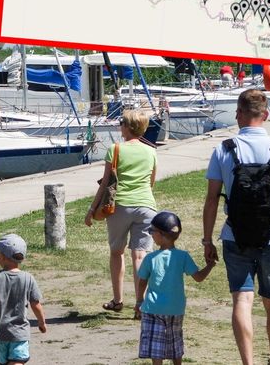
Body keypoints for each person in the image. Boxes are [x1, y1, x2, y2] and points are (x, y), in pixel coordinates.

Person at [202, 89, 270, 365]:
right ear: (266, 114)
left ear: (238, 114)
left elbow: (211, 199)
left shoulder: (223, 149)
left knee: (242, 301)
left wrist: (207, 240)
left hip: (235, 237)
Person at [84, 109, 157, 317]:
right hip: (146, 206)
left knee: (117, 252)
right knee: (140, 254)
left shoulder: (116, 149)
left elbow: (106, 183)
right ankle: (141, 304)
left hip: (120, 207)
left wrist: (91, 210)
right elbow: (151, 182)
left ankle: (118, 300)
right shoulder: (151, 151)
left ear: (127, 127)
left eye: (122, 123)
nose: (120, 126)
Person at [137, 211, 216, 365]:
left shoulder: (150, 258)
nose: (151, 235)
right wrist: (211, 265)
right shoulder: (183, 256)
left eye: (152, 231)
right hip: (176, 308)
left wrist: (139, 300)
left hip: (153, 308)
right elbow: (198, 277)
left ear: (161, 234)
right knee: (175, 342)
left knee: (156, 346)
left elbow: (142, 281)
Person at [0, 233, 47, 365]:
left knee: (6, 362)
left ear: (3, 257)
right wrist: (41, 322)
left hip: (1, 334)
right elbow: (36, 304)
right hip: (19, 332)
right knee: (17, 361)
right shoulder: (28, 278)